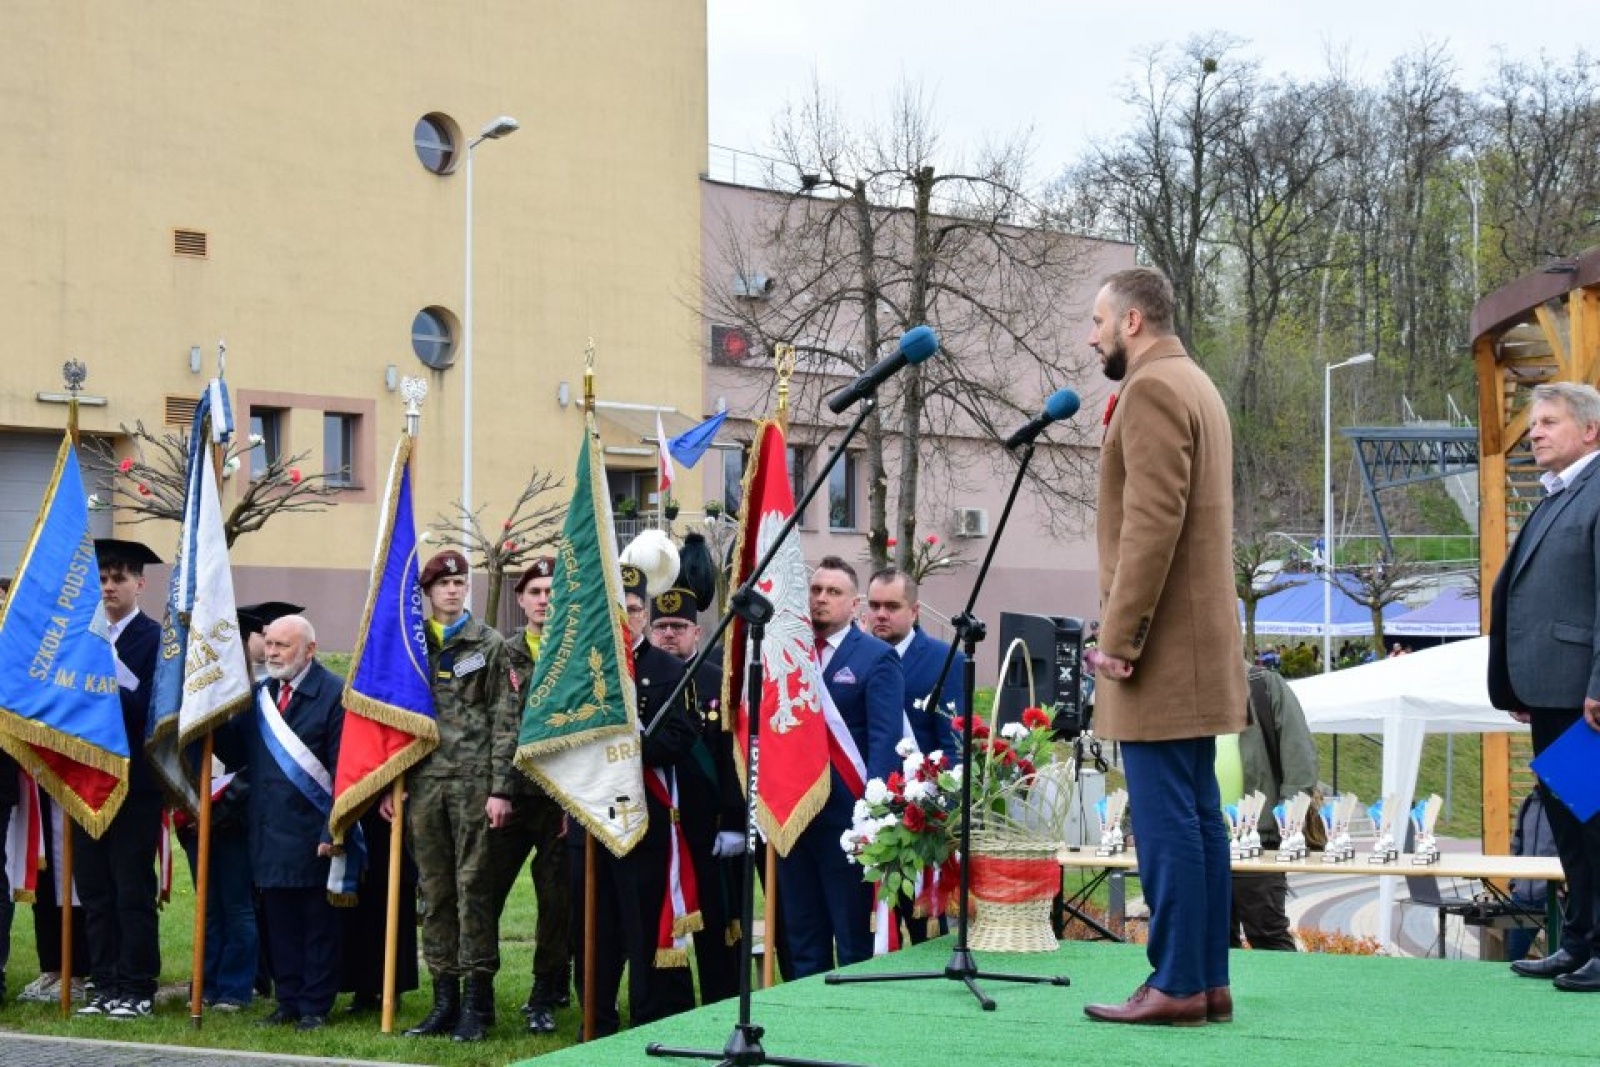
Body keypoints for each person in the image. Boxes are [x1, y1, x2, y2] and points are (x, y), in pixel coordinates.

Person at [1080, 268, 1246, 1027]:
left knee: (1166, 821)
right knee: (1198, 816)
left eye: (1099, 321)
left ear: (1133, 321)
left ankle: (1176, 979)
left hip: (1160, 650)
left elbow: (1152, 521)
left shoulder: (1150, 389)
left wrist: (1119, 638)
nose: (1092, 337)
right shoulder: (1196, 383)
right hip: (1196, 645)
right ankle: (1206, 980)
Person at [1488, 381, 1600, 992]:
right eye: (1533, 423)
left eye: (1549, 421)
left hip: (1584, 698)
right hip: (1551, 693)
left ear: (1590, 429)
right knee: (1571, 830)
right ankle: (1579, 942)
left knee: (1595, 825)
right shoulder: (1559, 494)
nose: (1534, 432)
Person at [567, 565, 699, 1036]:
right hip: (589, 819)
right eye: (615, 610)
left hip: (643, 817)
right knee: (592, 927)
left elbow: (681, 738)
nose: (625, 619)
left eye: (634, 609)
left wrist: (626, 745)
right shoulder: (579, 669)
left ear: (644, 614)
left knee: (642, 923)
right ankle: (595, 1020)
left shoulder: (668, 669)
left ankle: (651, 1018)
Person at [399, 549, 519, 1041]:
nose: (453, 590)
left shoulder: (488, 644)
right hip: (424, 784)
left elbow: (505, 719)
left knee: (475, 889)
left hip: (474, 784)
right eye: (443, 584)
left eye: (460, 582)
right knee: (434, 891)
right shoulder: (410, 644)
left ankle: (477, 1001)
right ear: (427, 592)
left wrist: (500, 788)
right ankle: (443, 998)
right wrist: (392, 782)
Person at [778, 556, 905, 978]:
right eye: (815, 590)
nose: (821, 599)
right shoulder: (789, 655)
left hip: (848, 821)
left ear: (855, 605)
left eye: (833, 592)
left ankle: (855, 1012)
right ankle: (808, 1009)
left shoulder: (876, 657)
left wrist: (873, 815)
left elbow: (884, 741)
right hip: (795, 817)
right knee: (803, 936)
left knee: (852, 939)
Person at [217, 614, 345, 1030]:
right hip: (268, 829)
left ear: (309, 650)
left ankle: (314, 1005)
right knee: (279, 923)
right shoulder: (261, 696)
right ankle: (287, 1000)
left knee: (317, 924)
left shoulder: (334, 694)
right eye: (269, 644)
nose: (271, 653)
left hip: (313, 832)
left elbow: (343, 771)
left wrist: (333, 829)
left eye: (282, 646)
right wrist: (210, 717)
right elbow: (235, 752)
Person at [74, 539, 165, 1021]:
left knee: (131, 887)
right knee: (94, 889)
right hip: (86, 776)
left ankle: (137, 985)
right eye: (103, 579)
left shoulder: (155, 639)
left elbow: (154, 709)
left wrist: (107, 677)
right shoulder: (82, 637)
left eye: (119, 578)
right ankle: (104, 982)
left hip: (134, 781)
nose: (109, 586)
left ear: (140, 584)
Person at [649, 584, 744, 1004]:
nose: (669, 634)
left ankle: (723, 1002)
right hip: (659, 825)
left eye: (679, 626)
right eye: (661, 626)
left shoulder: (719, 682)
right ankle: (673, 1005)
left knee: (717, 923)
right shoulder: (641, 679)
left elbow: (733, 755)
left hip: (711, 827)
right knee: (664, 919)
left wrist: (736, 820)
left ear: (697, 633)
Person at [489, 557, 571, 1034]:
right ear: (520, 599)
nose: (544, 600)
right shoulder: (503, 653)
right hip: (511, 795)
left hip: (560, 797)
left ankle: (545, 992)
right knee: (486, 890)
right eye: (535, 592)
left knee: (556, 899)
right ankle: (478, 989)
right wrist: (497, 790)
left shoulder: (575, 652)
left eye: (552, 591)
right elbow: (497, 725)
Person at [863, 566, 963, 944]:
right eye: (874, 605)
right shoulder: (855, 657)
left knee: (925, 933)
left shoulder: (943, 660)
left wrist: (940, 809)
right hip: (866, 811)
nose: (881, 614)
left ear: (915, 611)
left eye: (892, 606)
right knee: (870, 930)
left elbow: (954, 743)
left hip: (919, 817)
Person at [1226, 661, 1318, 951]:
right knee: (1208, 939)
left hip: (1259, 841)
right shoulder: (1186, 689)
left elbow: (1300, 762)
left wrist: (1285, 825)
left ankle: (1286, 985)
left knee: (1267, 934)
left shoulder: (1263, 685)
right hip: (1197, 840)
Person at [1506, 790, 1559, 962]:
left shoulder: (1565, 806)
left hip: (1554, 895)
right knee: (1513, 956)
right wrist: (1514, 881)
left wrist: (1564, 886)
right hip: (1522, 895)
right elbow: (1517, 844)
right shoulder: (1528, 803)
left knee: (1559, 957)